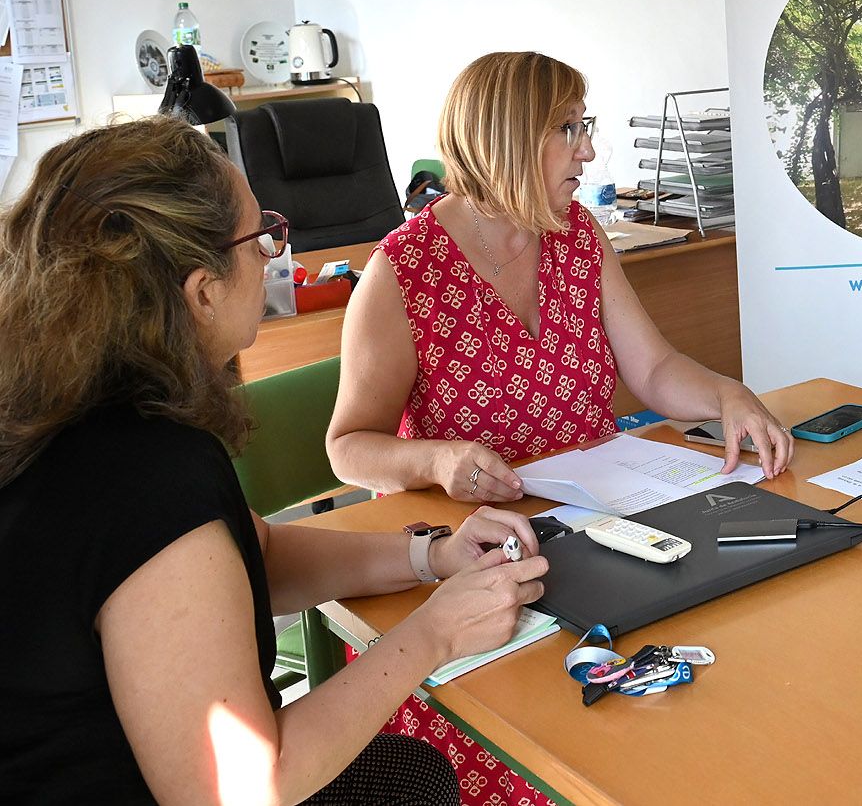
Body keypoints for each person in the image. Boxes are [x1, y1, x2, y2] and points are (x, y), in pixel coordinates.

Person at [0, 118, 548, 804]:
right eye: (259, 237)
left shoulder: (64, 413)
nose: (272, 256)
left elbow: (254, 556)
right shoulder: (145, 475)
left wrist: (431, 556)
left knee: (411, 771)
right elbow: (244, 786)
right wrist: (435, 632)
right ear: (202, 290)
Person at [325, 50, 793, 806]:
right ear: (508, 140)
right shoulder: (403, 271)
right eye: (569, 129)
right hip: (471, 565)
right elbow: (348, 448)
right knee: (549, 753)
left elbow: (653, 368)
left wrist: (726, 394)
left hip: (596, 536)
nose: (589, 151)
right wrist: (438, 461)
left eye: (586, 125)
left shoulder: (578, 233)